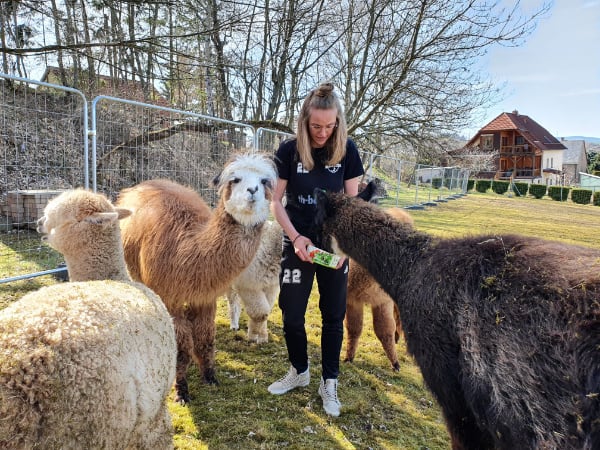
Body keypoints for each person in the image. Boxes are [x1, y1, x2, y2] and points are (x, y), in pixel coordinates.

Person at [268, 82, 364, 417]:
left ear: (338, 122)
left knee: (333, 316)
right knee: (291, 314)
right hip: (297, 242)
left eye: (329, 126)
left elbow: (353, 206)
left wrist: (344, 247)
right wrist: (295, 238)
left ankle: (329, 382)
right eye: (316, 126)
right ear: (304, 122)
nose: (323, 133)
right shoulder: (288, 151)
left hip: (333, 247)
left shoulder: (348, 151)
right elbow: (275, 202)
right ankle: (299, 370)